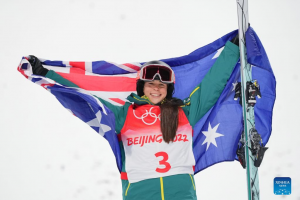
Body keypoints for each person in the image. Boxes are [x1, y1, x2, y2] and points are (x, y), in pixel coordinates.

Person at [28, 36, 239, 200]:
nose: (156, 89)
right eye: (151, 84)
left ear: (168, 89)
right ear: (142, 87)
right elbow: (85, 95)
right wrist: (46, 74)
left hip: (182, 193)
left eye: (161, 86)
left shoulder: (183, 113)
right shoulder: (123, 114)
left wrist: (232, 51)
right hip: (140, 193)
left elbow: (210, 87)